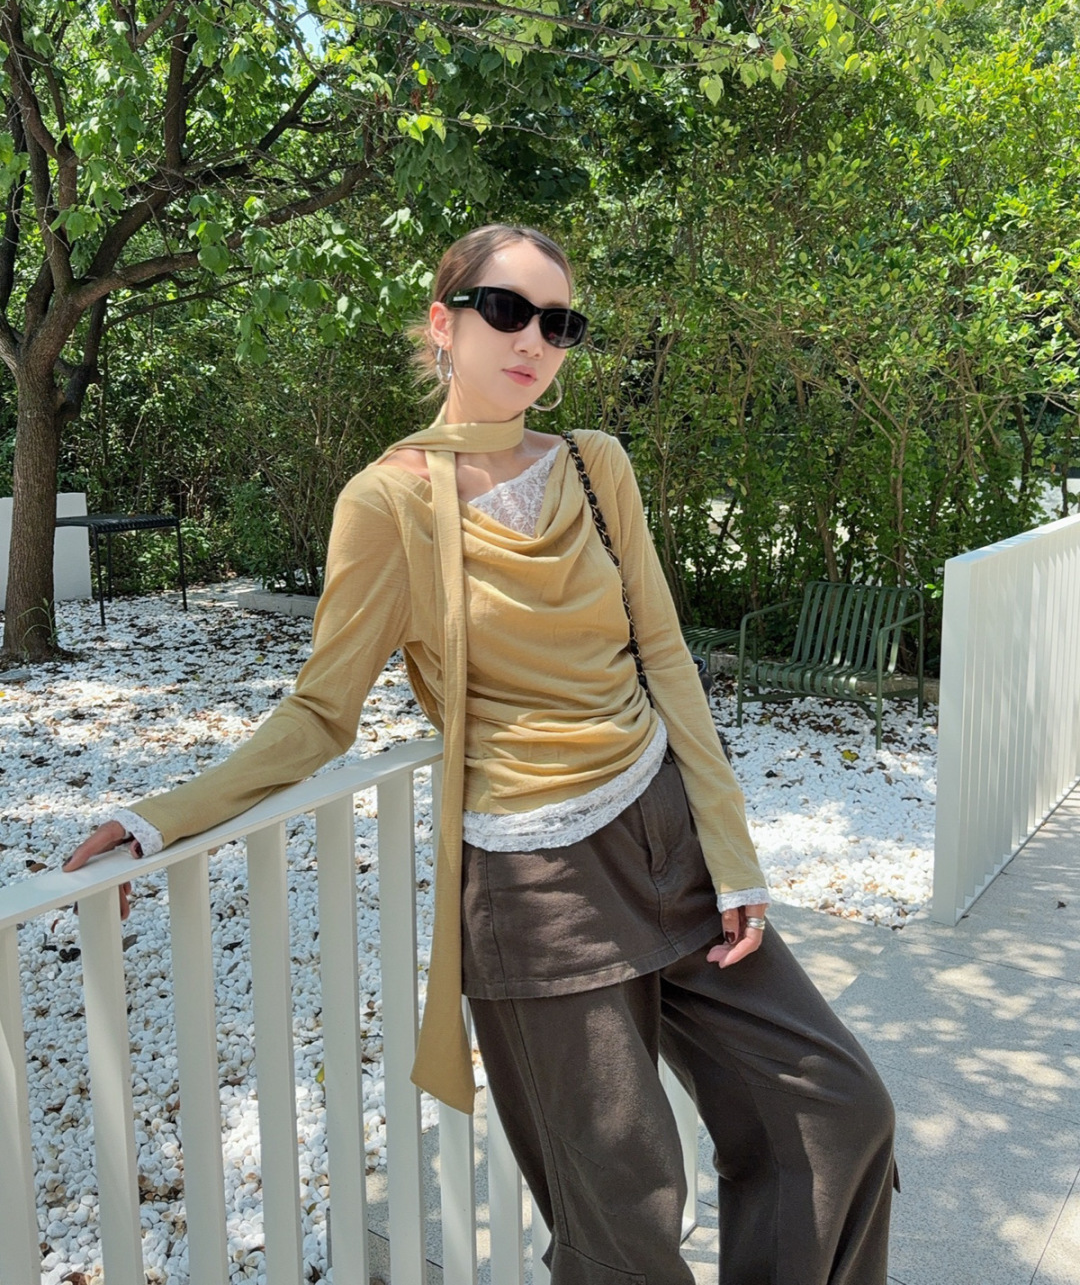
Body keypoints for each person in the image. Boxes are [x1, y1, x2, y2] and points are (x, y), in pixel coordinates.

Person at [64, 223, 899, 1284]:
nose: (534, 340)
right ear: (443, 323)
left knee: (835, 1109)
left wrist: (732, 853)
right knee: (626, 1215)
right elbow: (321, 711)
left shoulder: (595, 465)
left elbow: (665, 656)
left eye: (559, 322)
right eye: (507, 310)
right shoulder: (388, 501)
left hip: (669, 843)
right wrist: (158, 819)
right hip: (540, 887)